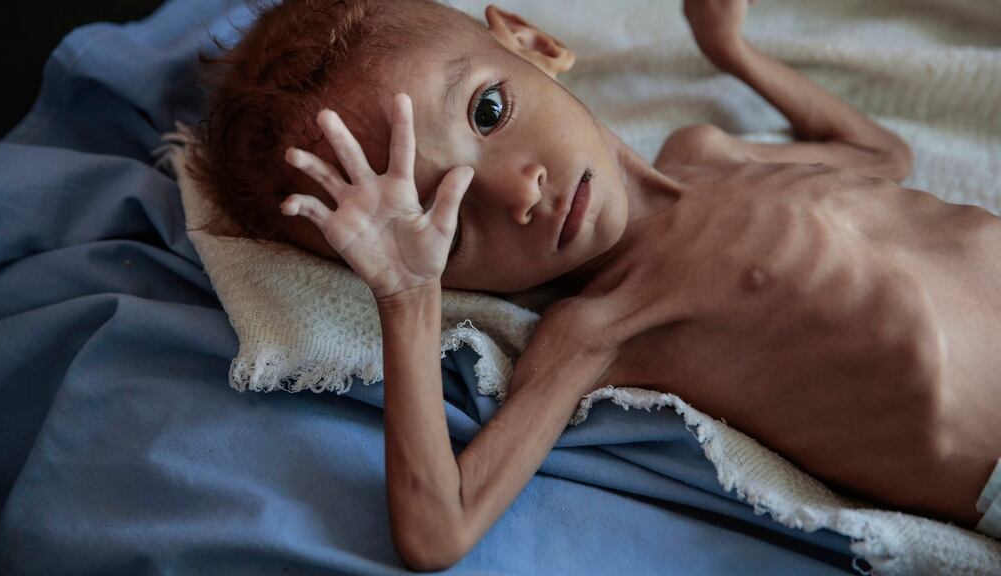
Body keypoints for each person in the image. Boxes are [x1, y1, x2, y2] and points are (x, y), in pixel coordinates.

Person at [191, 0, 1001, 570]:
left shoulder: (710, 150)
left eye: (488, 111)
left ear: (533, 43)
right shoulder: (602, 324)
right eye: (452, 221)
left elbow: (881, 157)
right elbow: (438, 530)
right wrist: (407, 294)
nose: (519, 191)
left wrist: (731, 50)